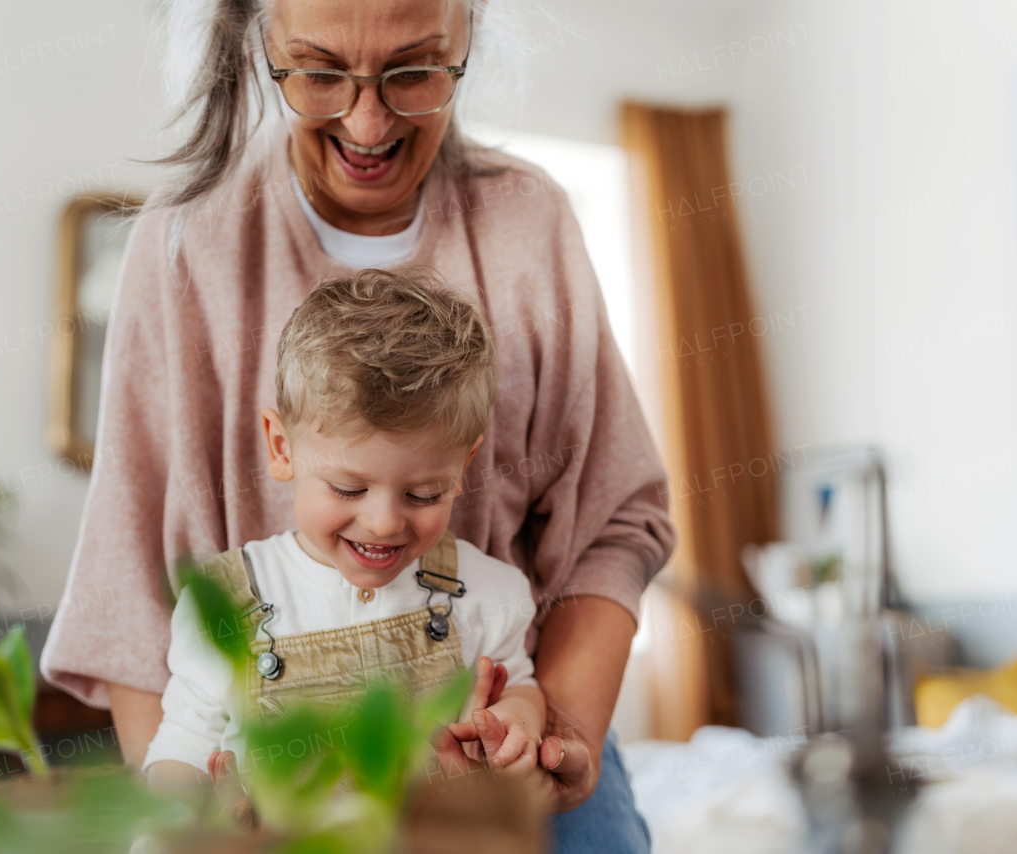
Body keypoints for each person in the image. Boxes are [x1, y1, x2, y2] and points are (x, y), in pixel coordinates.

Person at [42, 0, 674, 850]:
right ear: (254, 45)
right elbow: (132, 579)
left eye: (415, 70)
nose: (368, 121)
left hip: (491, 758)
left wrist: (557, 734)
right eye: (319, 71)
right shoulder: (184, 241)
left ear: (467, 42)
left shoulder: (529, 222)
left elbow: (616, 523)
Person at [143, 270, 543, 808]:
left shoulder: (484, 592)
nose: (382, 523)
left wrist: (516, 723)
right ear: (282, 448)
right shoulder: (228, 599)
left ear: (463, 466)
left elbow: (518, 685)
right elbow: (182, 746)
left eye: (424, 494)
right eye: (348, 488)